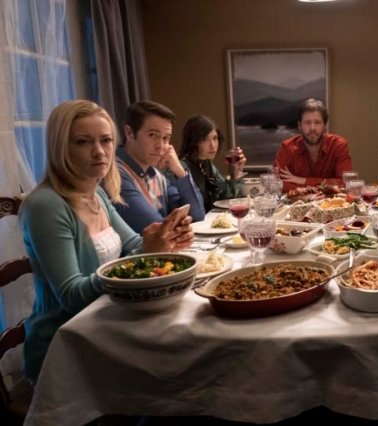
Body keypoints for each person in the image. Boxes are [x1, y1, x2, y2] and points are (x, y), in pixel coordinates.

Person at [19, 100, 195, 382]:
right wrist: (143, 256)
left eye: (106, 140)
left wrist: (164, 239)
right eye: (82, 141)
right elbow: (72, 297)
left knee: (187, 349)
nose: (99, 151)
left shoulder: (96, 193)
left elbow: (134, 245)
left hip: (108, 326)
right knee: (183, 364)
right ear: (60, 147)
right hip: (65, 347)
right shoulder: (46, 205)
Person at [114, 100, 205, 233]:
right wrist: (181, 223)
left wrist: (180, 172)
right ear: (129, 133)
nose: (160, 146)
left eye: (165, 138)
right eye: (152, 135)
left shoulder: (155, 173)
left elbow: (197, 215)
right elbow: (156, 229)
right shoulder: (115, 174)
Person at [274, 98, 353, 192]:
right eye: (307, 123)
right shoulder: (287, 148)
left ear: (324, 125)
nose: (312, 128)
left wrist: (303, 181)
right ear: (300, 125)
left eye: (317, 122)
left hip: (332, 201)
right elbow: (277, 183)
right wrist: (322, 186)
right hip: (297, 201)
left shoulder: (338, 145)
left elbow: (345, 183)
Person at [175, 115, 245, 211]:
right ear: (193, 141)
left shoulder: (206, 164)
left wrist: (236, 172)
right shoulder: (181, 167)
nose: (213, 145)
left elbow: (225, 198)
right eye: (205, 139)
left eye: (215, 138)